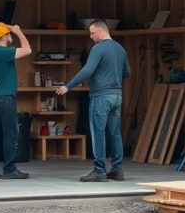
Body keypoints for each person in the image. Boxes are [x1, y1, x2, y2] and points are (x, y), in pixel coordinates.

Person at [56, 19, 130, 182]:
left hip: (101, 96)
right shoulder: (120, 49)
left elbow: (87, 69)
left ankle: (99, 170)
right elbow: (127, 72)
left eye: (92, 33)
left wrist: (68, 86)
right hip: (117, 96)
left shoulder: (98, 48)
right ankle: (117, 170)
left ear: (101, 31)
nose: (91, 37)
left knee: (98, 133)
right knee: (115, 133)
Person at [0, 23, 32, 180]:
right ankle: (10, 169)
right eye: (9, 34)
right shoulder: (4, 52)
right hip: (5, 99)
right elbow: (28, 50)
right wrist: (19, 32)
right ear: (3, 36)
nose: (11, 37)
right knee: (11, 133)